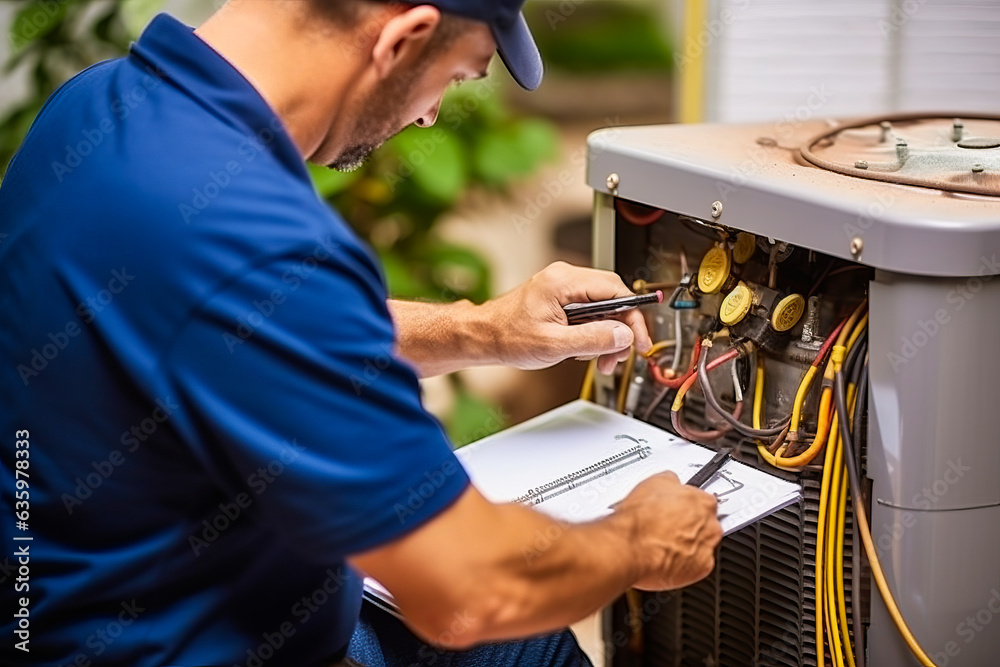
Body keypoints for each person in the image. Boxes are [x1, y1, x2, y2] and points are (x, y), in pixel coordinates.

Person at [0, 1, 723, 666]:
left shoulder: (97, 106)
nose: (431, 115)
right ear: (404, 37)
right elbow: (471, 592)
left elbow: (234, 328)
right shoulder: (251, 232)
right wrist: (640, 539)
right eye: (453, 76)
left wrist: (482, 329)